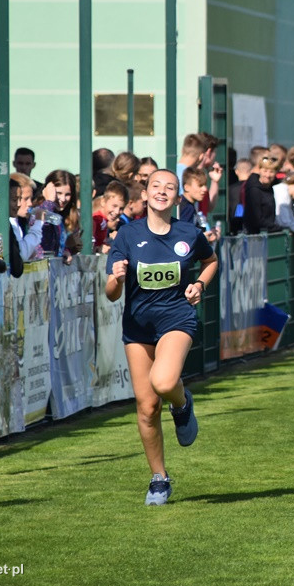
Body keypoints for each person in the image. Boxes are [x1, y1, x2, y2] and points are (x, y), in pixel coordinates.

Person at [104, 168, 218, 506]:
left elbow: (211, 262)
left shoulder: (188, 233)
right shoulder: (127, 235)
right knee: (147, 406)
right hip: (138, 329)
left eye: (170, 187)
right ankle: (159, 478)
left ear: (178, 198)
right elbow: (111, 294)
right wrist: (117, 278)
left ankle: (182, 406)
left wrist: (199, 284)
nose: (162, 191)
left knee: (165, 382)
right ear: (144, 194)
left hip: (177, 319)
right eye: (156, 186)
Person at [9, 172, 44, 264]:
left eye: (31, 199)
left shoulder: (21, 221)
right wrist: (38, 223)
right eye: (25, 199)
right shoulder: (8, 223)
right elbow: (23, 254)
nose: (30, 204)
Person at [243, 155, 282, 234]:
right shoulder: (254, 190)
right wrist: (277, 227)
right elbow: (256, 219)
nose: (267, 175)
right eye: (265, 171)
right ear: (260, 170)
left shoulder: (272, 187)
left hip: (268, 233)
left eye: (271, 172)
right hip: (256, 235)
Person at [93, 179, 127, 252]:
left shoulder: (104, 221)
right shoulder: (97, 220)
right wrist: (98, 249)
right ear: (103, 202)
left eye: (121, 208)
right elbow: (88, 245)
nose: (117, 211)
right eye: (114, 206)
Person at [228, 157, 252, 235]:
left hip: (235, 227)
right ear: (250, 172)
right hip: (251, 227)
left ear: (236, 172)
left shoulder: (231, 189)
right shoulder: (254, 187)